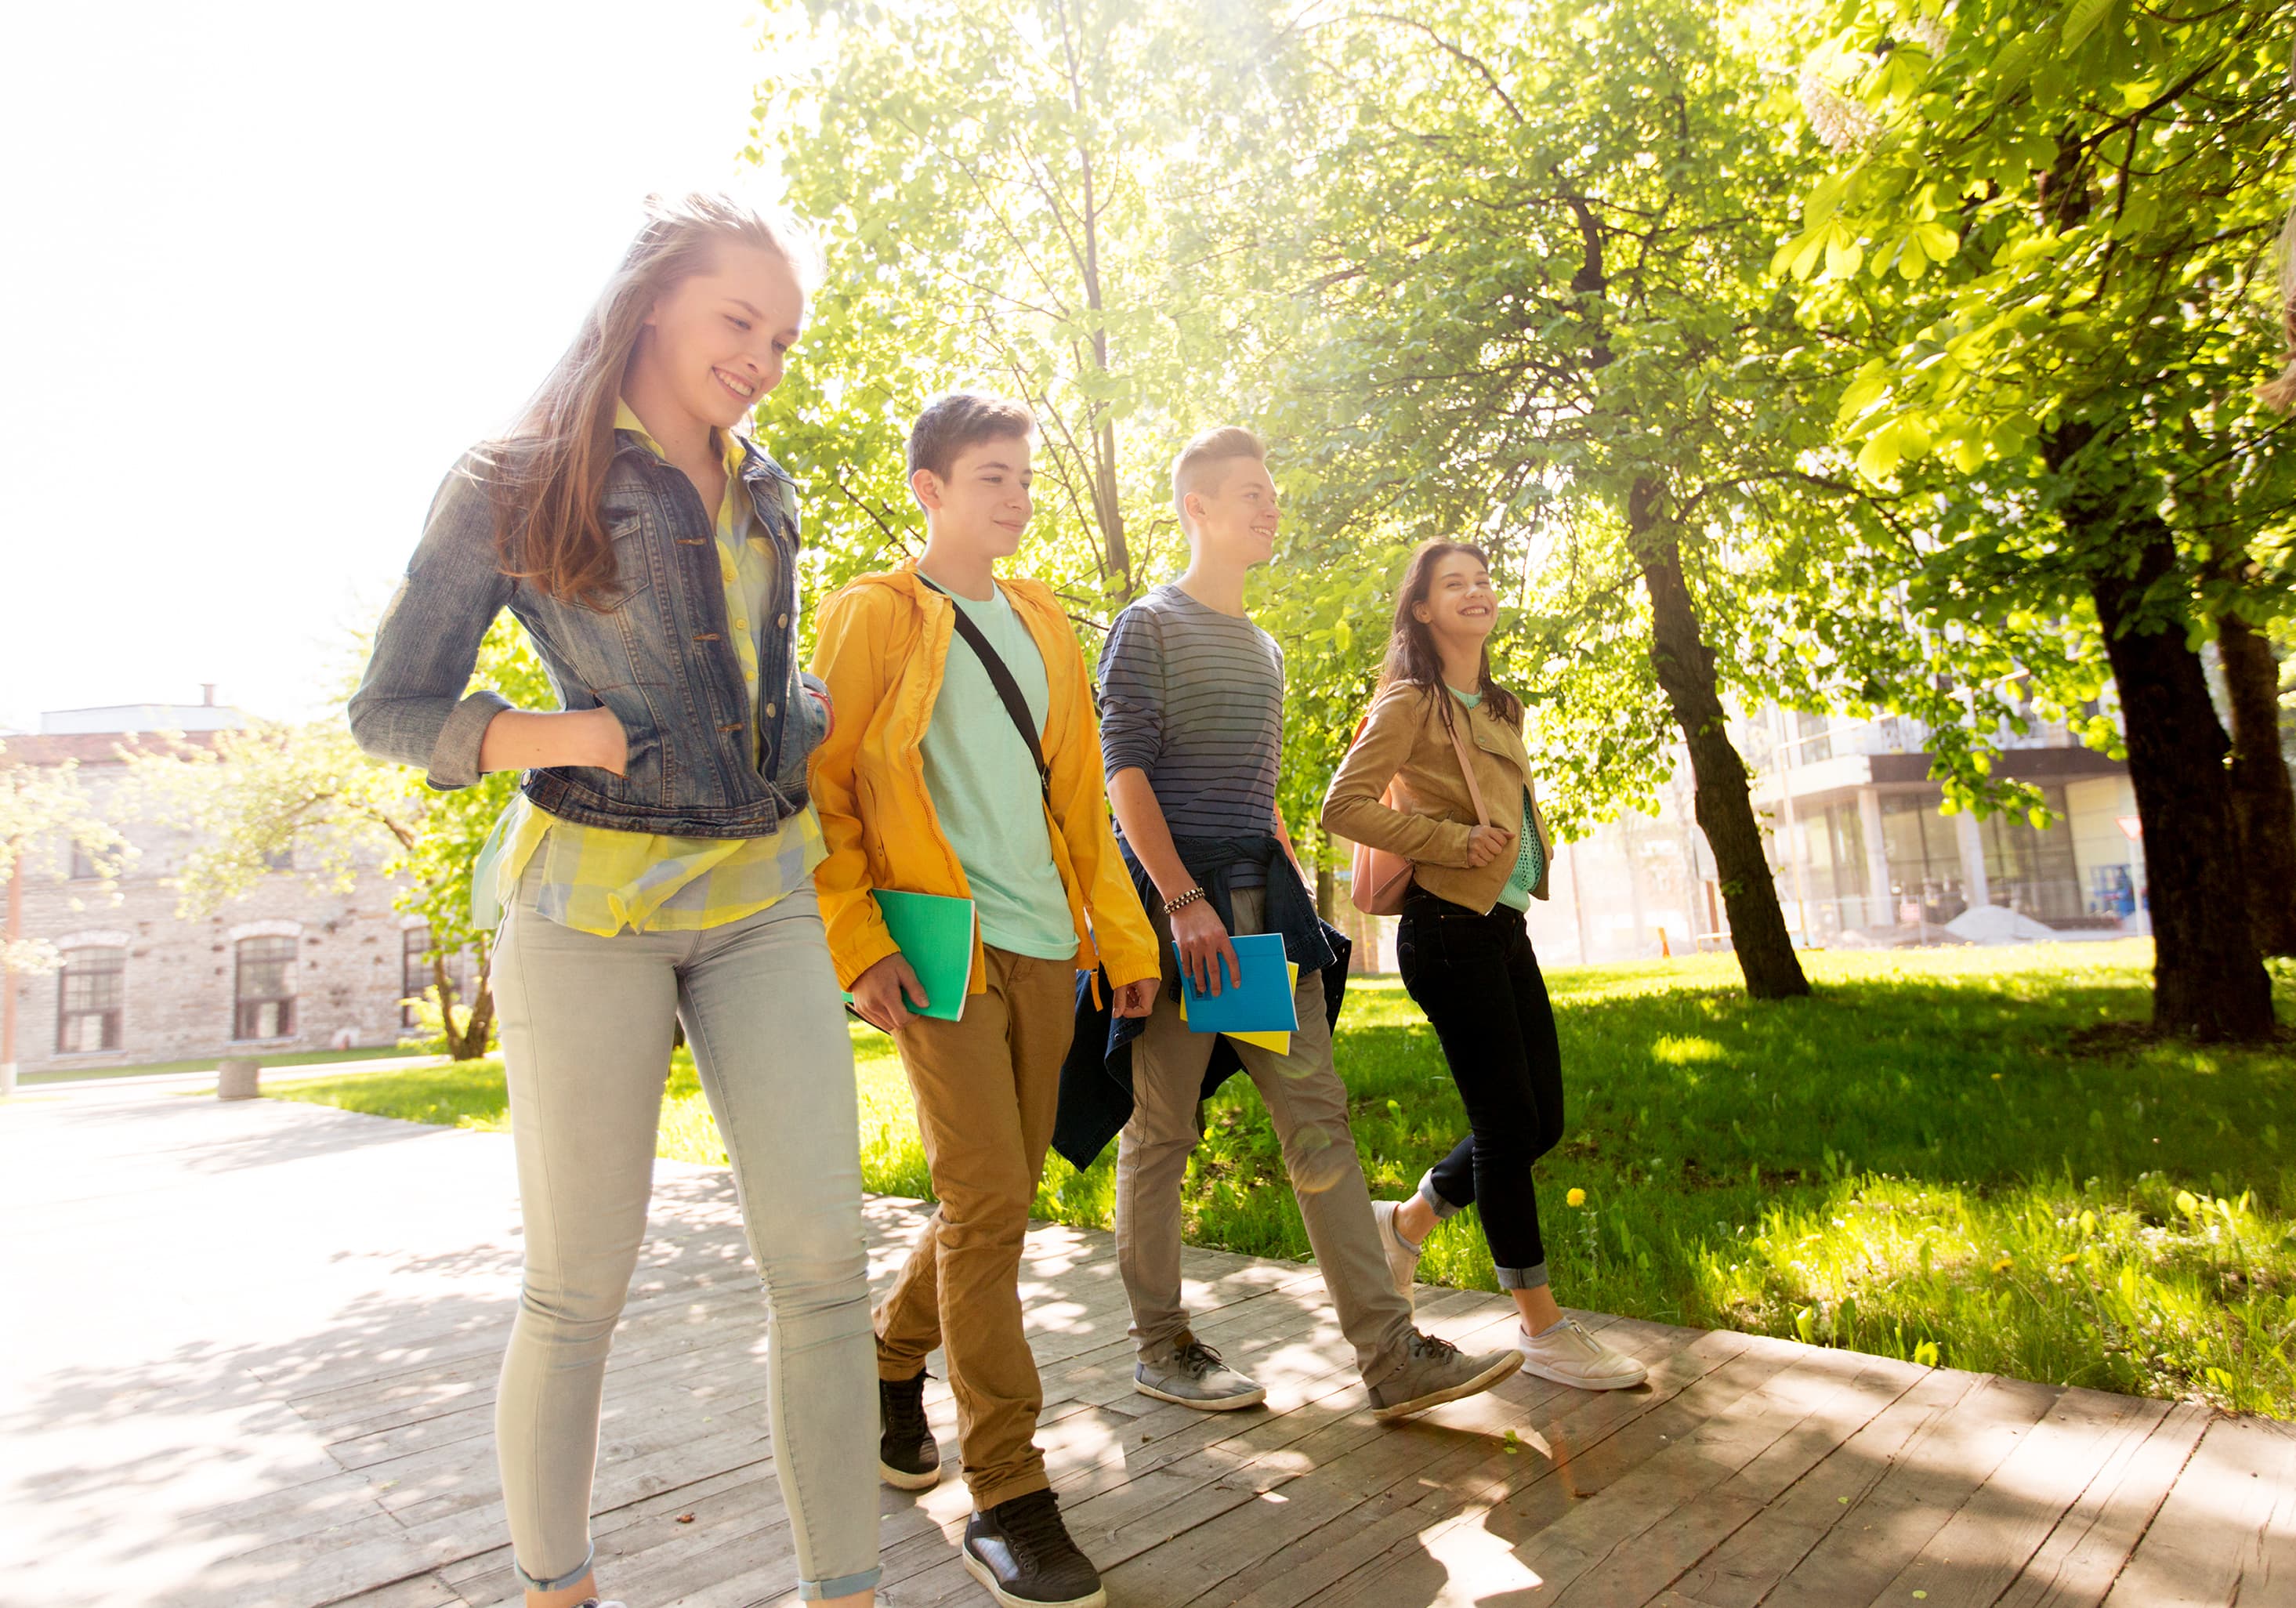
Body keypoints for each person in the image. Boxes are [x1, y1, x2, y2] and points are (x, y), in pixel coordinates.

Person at [348, 193, 879, 1608]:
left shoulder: (765, 485)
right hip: (591, 912)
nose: (764, 355)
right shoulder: (515, 482)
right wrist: (551, 734)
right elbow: (390, 708)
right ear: (653, 302)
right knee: (580, 1279)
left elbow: (740, 674)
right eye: (739, 321)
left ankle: (851, 1591)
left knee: (827, 1258)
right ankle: (557, 1587)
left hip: (764, 892)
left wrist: (796, 714)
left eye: (783, 335)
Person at [807, 392, 1161, 1608]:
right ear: (930, 487)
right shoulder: (871, 616)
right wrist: (856, 944)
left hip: (1046, 946)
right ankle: (1007, 1489)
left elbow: (1079, 807)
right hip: (938, 949)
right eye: (989, 477)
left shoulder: (1046, 622)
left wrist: (1118, 942)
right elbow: (824, 794)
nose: (1013, 497)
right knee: (989, 1199)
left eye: (1021, 478)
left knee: (993, 1195)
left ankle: (888, 1354)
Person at [1092, 426, 1523, 1421]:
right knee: (1162, 1134)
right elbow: (1124, 776)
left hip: (1256, 924)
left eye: (1271, 493)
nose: (1268, 507)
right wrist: (1177, 903)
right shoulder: (1146, 625)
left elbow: (1258, 796)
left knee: (1316, 1124)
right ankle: (1160, 1346)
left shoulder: (1264, 648)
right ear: (1195, 506)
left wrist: (1276, 884)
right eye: (1249, 493)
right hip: (1178, 922)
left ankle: (1389, 1357)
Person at [1321, 539, 1646, 1391]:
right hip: (1444, 929)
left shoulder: (1496, 704)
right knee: (1507, 1128)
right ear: (1421, 610)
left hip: (1498, 927)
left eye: (1480, 580)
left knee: (1538, 1122)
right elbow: (1342, 806)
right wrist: (1452, 840)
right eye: (1450, 585)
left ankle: (1406, 1223)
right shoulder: (1409, 702)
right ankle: (1542, 1327)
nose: (1473, 592)